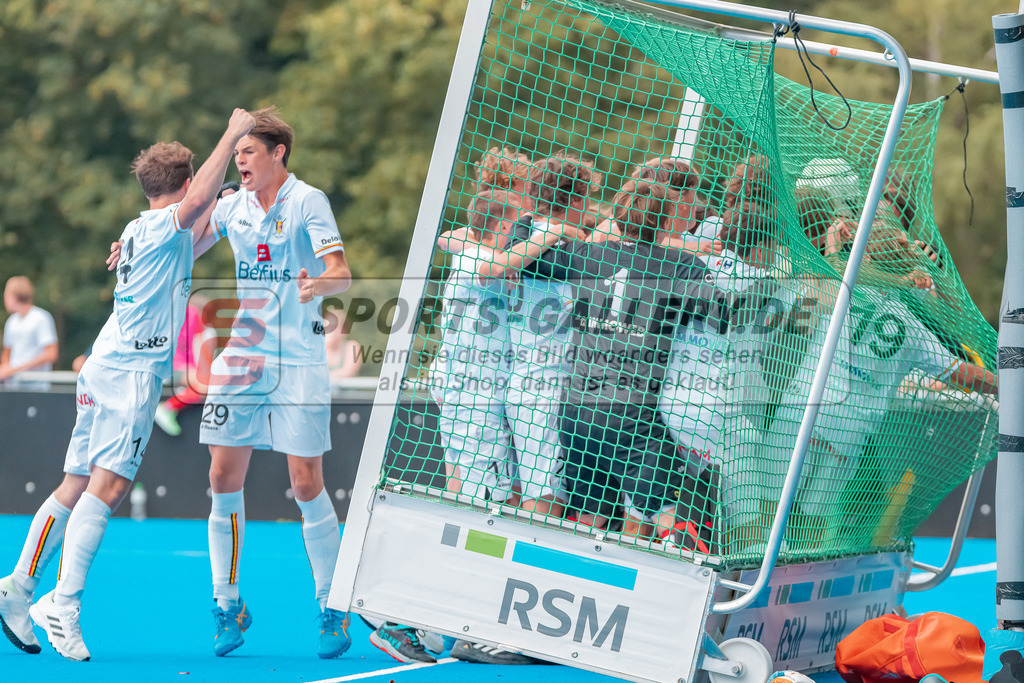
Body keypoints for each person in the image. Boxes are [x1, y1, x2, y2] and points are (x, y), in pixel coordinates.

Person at [0, 108, 255, 661]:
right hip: (131, 375)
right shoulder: (166, 224)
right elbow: (196, 210)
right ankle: (61, 606)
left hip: (102, 365)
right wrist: (233, 135)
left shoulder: (143, 229)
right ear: (186, 185)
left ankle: (18, 587)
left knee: (73, 485)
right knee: (107, 490)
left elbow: (206, 220)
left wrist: (234, 188)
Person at [197, 107, 353, 659]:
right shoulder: (231, 207)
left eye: (248, 152)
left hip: (299, 357)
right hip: (244, 356)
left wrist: (319, 283)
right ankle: (227, 601)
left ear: (277, 153)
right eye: (236, 153)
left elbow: (342, 271)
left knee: (306, 481)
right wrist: (136, 247)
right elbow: (181, 243)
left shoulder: (308, 200)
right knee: (221, 474)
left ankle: (332, 604)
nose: (240, 161)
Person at [154, 296, 209, 436]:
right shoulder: (193, 314)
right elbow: (201, 349)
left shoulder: (166, 313)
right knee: (205, 385)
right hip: (173, 368)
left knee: (206, 384)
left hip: (169, 368)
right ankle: (167, 408)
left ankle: (176, 402)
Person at [1, 276, 58, 390]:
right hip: (13, 386)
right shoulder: (11, 321)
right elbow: (7, 354)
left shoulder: (41, 318)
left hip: (36, 388)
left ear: (13, 296)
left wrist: (15, 369)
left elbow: (51, 354)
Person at [325, 311, 362, 386]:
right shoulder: (319, 349)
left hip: (346, 396)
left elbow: (348, 372)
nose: (331, 331)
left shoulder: (352, 347)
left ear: (344, 330)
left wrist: (320, 376)